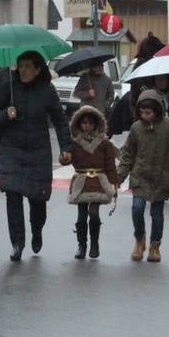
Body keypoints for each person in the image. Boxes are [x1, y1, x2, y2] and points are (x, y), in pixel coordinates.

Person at [0, 50, 71, 261]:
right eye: (21, 66)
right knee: (12, 193)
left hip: (38, 151)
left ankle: (37, 229)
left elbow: (60, 120)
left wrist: (66, 147)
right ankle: (17, 242)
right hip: (11, 148)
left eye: (28, 66)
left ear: (38, 69)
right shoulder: (9, 87)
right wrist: (4, 115)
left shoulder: (47, 91)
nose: (23, 70)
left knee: (38, 200)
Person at [116, 88, 169, 264]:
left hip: (162, 177)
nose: (144, 116)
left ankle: (155, 245)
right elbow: (128, 154)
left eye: (148, 112)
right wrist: (119, 177)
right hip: (140, 175)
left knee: (157, 214)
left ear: (157, 110)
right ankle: (139, 241)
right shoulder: (136, 128)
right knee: (137, 208)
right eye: (141, 112)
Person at [66, 105, 119, 259]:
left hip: (99, 181)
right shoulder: (74, 142)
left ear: (96, 124)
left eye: (90, 123)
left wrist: (114, 184)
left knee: (94, 213)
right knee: (81, 217)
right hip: (81, 181)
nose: (87, 126)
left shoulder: (104, 143)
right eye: (84, 123)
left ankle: (94, 243)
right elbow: (66, 157)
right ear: (78, 124)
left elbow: (110, 165)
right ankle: (82, 245)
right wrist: (64, 158)